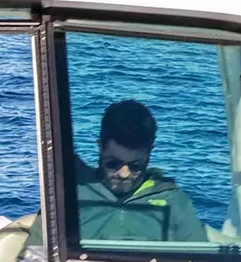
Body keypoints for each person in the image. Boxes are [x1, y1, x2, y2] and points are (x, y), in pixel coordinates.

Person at [73, 98, 205, 246]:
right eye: (113, 163)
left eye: (135, 166)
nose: (124, 174)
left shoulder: (174, 202)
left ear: (150, 153)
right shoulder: (69, 195)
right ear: (100, 147)